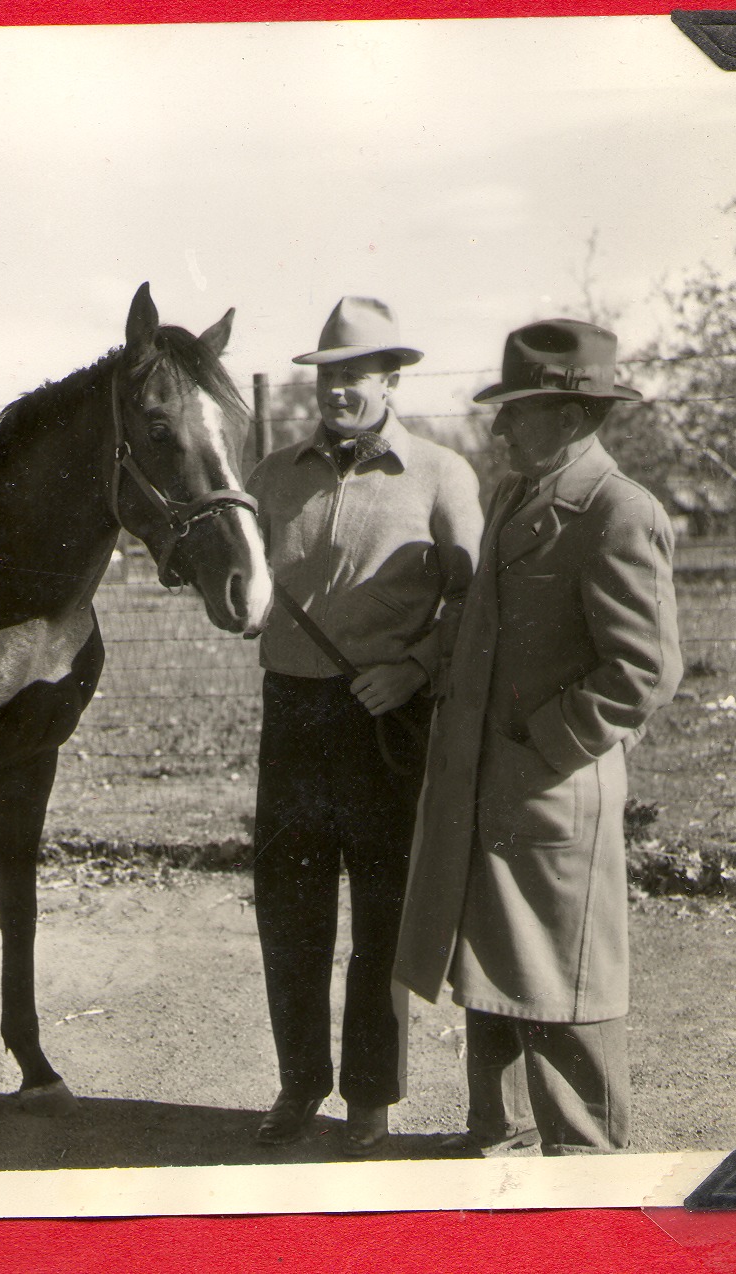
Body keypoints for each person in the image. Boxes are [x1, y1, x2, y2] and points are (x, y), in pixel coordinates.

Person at [393, 318, 683, 1155]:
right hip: (490, 788)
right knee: (490, 975)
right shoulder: (516, 495)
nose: (499, 427)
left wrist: (544, 741)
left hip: (553, 793)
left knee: (566, 990)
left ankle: (587, 1175)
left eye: (515, 409)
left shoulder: (619, 511)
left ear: (568, 415)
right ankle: (501, 1149)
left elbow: (645, 671)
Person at [245, 296, 482, 1157]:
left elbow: (475, 598)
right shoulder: (272, 475)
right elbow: (238, 577)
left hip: (386, 720)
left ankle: (370, 1102)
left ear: (391, 381)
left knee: (381, 919)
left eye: (357, 375)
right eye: (329, 374)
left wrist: (416, 666)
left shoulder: (441, 475)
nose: (340, 389)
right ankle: (299, 1083)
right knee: (291, 912)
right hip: (293, 717)